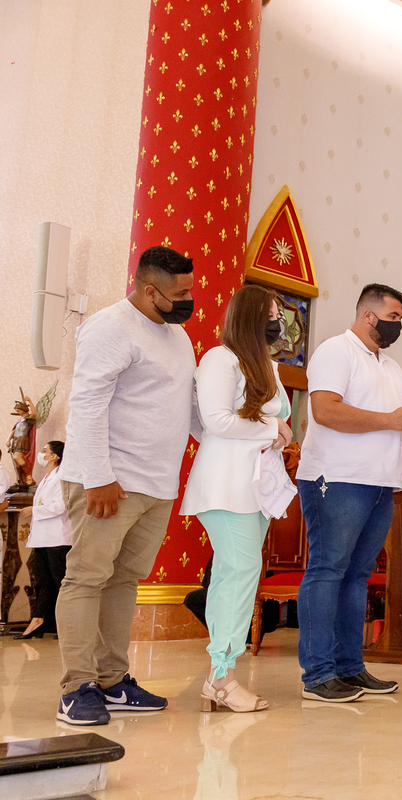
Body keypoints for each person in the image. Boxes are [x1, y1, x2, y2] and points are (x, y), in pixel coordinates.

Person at [55, 245, 199, 726]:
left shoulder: (179, 338)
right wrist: (98, 477)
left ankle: (113, 681)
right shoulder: (110, 326)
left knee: (123, 580)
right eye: (180, 292)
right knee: (86, 577)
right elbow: (88, 403)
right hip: (108, 482)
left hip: (156, 485)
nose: (189, 299)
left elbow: (188, 409)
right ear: (149, 289)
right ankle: (77, 688)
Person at [296, 283, 402, 702]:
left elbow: (385, 431)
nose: (398, 325)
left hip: (379, 483)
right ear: (368, 315)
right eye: (393, 317)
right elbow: (325, 411)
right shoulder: (336, 351)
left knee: (357, 575)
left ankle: (350, 668)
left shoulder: (389, 367)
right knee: (328, 570)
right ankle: (318, 674)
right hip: (336, 478)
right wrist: (391, 419)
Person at [180, 285, 293, 712]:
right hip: (225, 484)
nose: (276, 321)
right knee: (241, 569)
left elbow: (272, 417)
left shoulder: (266, 364)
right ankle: (223, 677)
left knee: (235, 573)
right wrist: (269, 431)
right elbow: (214, 420)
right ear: (249, 317)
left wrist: (273, 433)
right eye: (270, 313)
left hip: (257, 485)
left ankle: (220, 673)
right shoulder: (220, 359)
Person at [19, 441, 71, 639]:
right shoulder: (47, 477)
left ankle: (64, 626)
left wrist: (35, 510)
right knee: (43, 581)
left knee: (60, 581)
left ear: (54, 456)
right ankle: (40, 620)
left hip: (58, 537)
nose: (41, 454)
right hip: (42, 538)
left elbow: (62, 506)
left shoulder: (62, 477)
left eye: (45, 451)